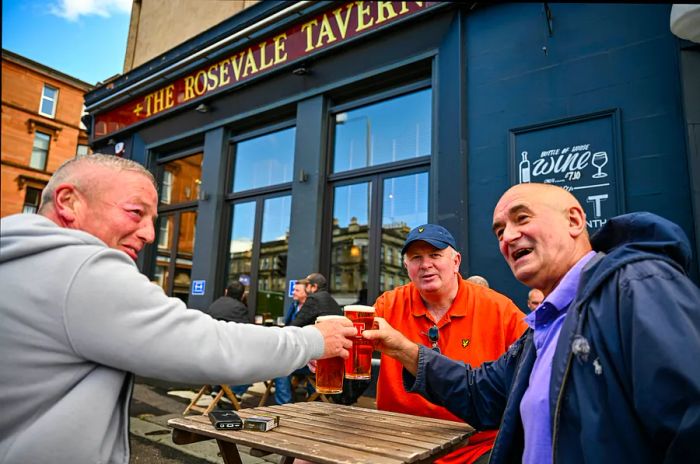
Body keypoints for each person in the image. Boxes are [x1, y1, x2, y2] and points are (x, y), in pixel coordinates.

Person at [0, 154, 357, 464]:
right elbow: (211, 345)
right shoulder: (78, 266)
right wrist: (312, 339)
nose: (149, 234)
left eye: (151, 219)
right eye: (135, 212)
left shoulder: (21, 257)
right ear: (68, 202)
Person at [364, 183, 700, 464]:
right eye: (499, 231)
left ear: (575, 220)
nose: (508, 236)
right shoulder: (544, 326)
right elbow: (480, 394)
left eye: (521, 218)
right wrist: (399, 346)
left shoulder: (634, 284)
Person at [373, 224, 528, 464]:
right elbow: (351, 346)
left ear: (456, 261)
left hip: (475, 447)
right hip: (397, 443)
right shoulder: (387, 305)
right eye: (416, 258)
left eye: (435, 255)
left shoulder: (499, 309)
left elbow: (534, 367)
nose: (425, 265)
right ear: (407, 267)